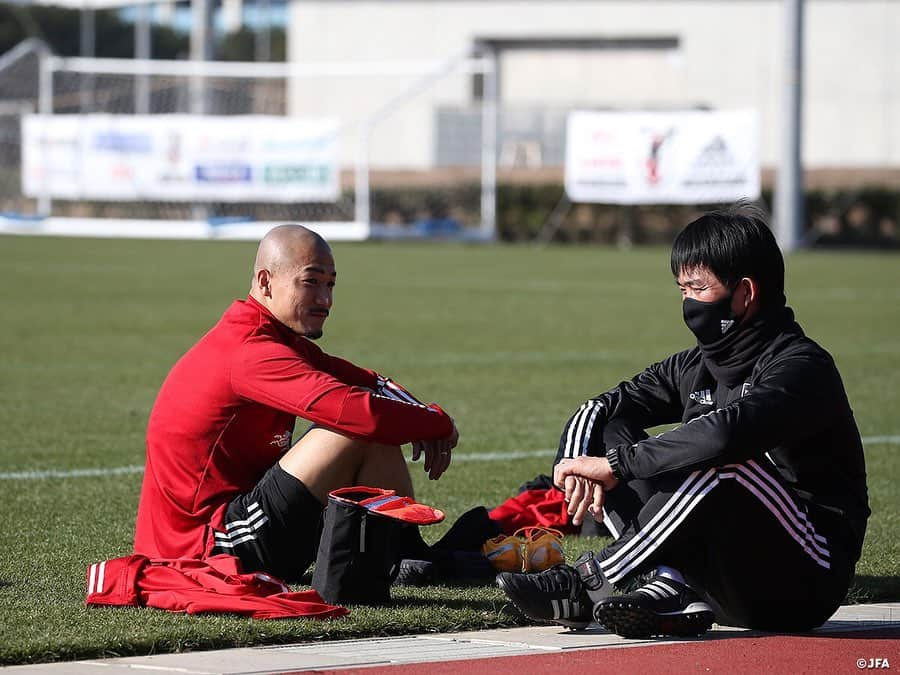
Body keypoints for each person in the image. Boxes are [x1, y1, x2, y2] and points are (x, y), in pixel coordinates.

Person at [497, 203, 869, 638]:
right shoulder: (696, 365)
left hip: (804, 577)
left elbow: (726, 434)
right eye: (682, 289)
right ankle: (669, 584)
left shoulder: (801, 367)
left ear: (745, 293)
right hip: (723, 580)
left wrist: (618, 466)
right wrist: (576, 464)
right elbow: (603, 408)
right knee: (613, 427)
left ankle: (591, 582)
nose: (687, 302)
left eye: (697, 287)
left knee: (721, 460)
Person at [134, 224, 459, 583]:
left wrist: (424, 414)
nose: (326, 300)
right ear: (265, 281)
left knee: (366, 425)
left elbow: (370, 382)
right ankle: (405, 556)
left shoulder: (274, 339)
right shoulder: (250, 351)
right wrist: (437, 424)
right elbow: (361, 414)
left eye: (331, 284)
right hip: (209, 544)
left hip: (242, 524)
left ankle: (404, 554)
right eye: (311, 282)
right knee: (351, 428)